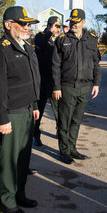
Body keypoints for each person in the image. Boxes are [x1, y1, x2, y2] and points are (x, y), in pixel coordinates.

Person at [0, 6, 41, 213]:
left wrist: (35, 105)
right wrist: (2, 117)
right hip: (11, 113)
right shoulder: (0, 50)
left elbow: (33, 79)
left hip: (28, 110)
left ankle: (20, 193)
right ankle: (6, 200)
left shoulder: (27, 47)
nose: (28, 27)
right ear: (9, 25)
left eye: (29, 24)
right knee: (9, 159)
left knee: (23, 157)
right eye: (23, 23)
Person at [51, 9, 100, 164]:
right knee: (64, 120)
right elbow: (55, 66)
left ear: (83, 22)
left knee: (77, 120)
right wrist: (56, 87)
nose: (73, 24)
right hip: (67, 87)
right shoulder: (62, 40)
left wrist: (96, 83)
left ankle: (72, 148)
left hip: (85, 87)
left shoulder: (91, 39)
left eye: (76, 22)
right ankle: (64, 151)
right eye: (71, 21)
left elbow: (96, 63)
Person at [33, 15, 61, 147]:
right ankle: (35, 134)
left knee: (59, 111)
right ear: (50, 25)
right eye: (57, 26)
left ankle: (59, 131)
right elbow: (40, 43)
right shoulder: (41, 35)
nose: (58, 29)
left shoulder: (60, 39)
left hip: (55, 81)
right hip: (42, 80)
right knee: (39, 110)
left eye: (59, 27)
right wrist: (50, 31)